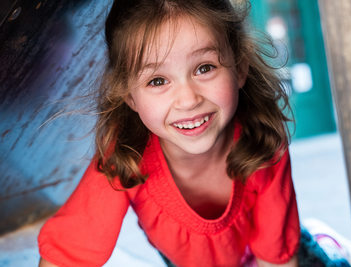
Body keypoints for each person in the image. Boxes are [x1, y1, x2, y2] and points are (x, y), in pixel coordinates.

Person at [38, 0, 300, 266]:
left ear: (240, 69)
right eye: (157, 81)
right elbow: (64, 255)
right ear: (129, 95)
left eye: (205, 68)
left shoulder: (262, 140)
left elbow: (276, 259)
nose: (187, 100)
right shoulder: (127, 155)